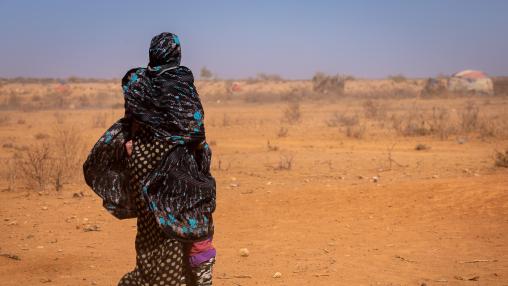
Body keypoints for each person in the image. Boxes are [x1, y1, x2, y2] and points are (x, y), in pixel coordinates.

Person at [83, 32, 216, 286]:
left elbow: (131, 121)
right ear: (176, 54)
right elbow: (194, 130)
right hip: (174, 165)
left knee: (149, 229)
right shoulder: (178, 82)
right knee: (179, 226)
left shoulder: (136, 81)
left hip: (141, 162)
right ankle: (169, 280)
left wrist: (134, 145)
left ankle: (150, 277)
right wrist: (196, 156)